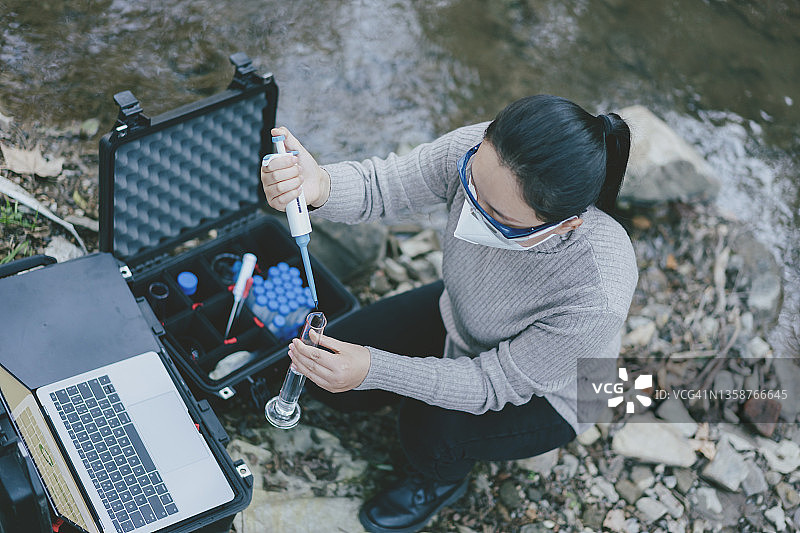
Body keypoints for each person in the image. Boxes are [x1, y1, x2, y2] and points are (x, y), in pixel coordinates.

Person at [260, 94, 638, 533]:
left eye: (496, 216)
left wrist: (376, 369)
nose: (471, 206)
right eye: (470, 184)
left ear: (565, 224)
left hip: (551, 394)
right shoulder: (487, 152)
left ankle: (438, 479)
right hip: (465, 312)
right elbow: (387, 185)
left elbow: (490, 383)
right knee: (329, 381)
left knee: (424, 425)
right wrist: (320, 186)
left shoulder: (598, 290)